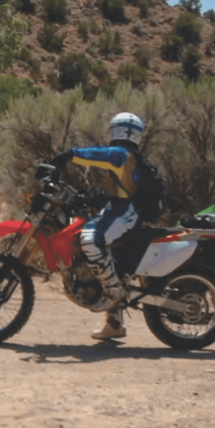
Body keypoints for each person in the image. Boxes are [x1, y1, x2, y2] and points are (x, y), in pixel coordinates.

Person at [55, 112, 165, 342]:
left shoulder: (121, 154)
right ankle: (114, 323)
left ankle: (113, 292)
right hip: (118, 209)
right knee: (110, 256)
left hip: (125, 213)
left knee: (90, 238)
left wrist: (70, 155)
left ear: (117, 130)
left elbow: (99, 155)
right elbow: (121, 188)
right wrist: (94, 199)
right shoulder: (129, 157)